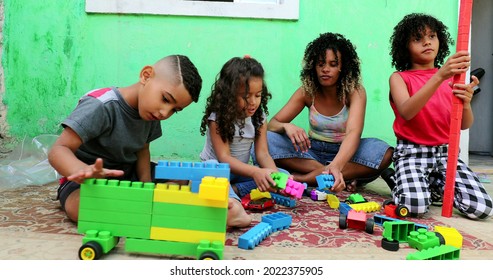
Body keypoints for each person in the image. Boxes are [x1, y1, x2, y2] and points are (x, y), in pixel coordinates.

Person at [48, 55, 202, 223]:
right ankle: (136, 207)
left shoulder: (152, 114)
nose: (165, 113)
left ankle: (136, 203)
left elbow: (142, 149)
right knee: (79, 208)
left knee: (184, 179)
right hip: (90, 179)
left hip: (128, 173)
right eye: (165, 99)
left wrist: (146, 186)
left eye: (175, 110)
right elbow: (58, 149)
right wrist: (82, 171)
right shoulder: (101, 105)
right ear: (146, 75)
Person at [388, 13, 492, 219]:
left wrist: (467, 103)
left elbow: (464, 124)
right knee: (414, 207)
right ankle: (398, 181)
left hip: (446, 153)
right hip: (412, 153)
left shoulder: (451, 79)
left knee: (481, 208)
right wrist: (439, 76)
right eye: (418, 38)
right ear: (404, 47)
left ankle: (433, 185)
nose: (427, 42)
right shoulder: (399, 78)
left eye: (432, 36)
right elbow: (407, 112)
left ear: (440, 40)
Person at [265, 32, 394, 193]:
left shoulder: (355, 91)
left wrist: (337, 164)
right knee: (265, 139)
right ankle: (335, 176)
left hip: (346, 153)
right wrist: (286, 126)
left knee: (385, 153)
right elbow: (272, 125)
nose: (325, 69)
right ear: (314, 66)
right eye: (320, 64)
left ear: (343, 67)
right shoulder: (307, 92)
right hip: (311, 152)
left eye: (333, 64)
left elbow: (354, 132)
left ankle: (302, 178)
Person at [199, 56, 281, 228]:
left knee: (281, 174)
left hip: (241, 172)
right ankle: (234, 206)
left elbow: (262, 154)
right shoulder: (218, 118)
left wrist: (275, 176)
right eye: (246, 96)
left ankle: (233, 190)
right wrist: (255, 173)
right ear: (229, 95)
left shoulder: (259, 118)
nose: (253, 102)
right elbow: (224, 158)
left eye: (258, 95)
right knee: (211, 168)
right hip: (220, 170)